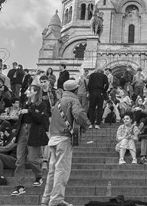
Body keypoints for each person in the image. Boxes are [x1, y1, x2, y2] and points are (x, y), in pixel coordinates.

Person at [40, 78, 90, 206]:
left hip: (53, 138)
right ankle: (56, 199)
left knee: (52, 171)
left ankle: (46, 199)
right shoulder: (73, 100)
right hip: (64, 137)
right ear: (76, 89)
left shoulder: (58, 102)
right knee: (62, 170)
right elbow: (79, 114)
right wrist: (86, 125)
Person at [11, 84, 49, 196]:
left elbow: (40, 119)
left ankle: (38, 175)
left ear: (36, 92)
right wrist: (16, 134)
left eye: (29, 89)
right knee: (19, 160)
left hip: (34, 131)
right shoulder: (25, 103)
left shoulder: (41, 104)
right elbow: (20, 121)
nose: (27, 91)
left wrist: (29, 111)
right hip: (22, 130)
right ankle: (19, 185)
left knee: (32, 158)